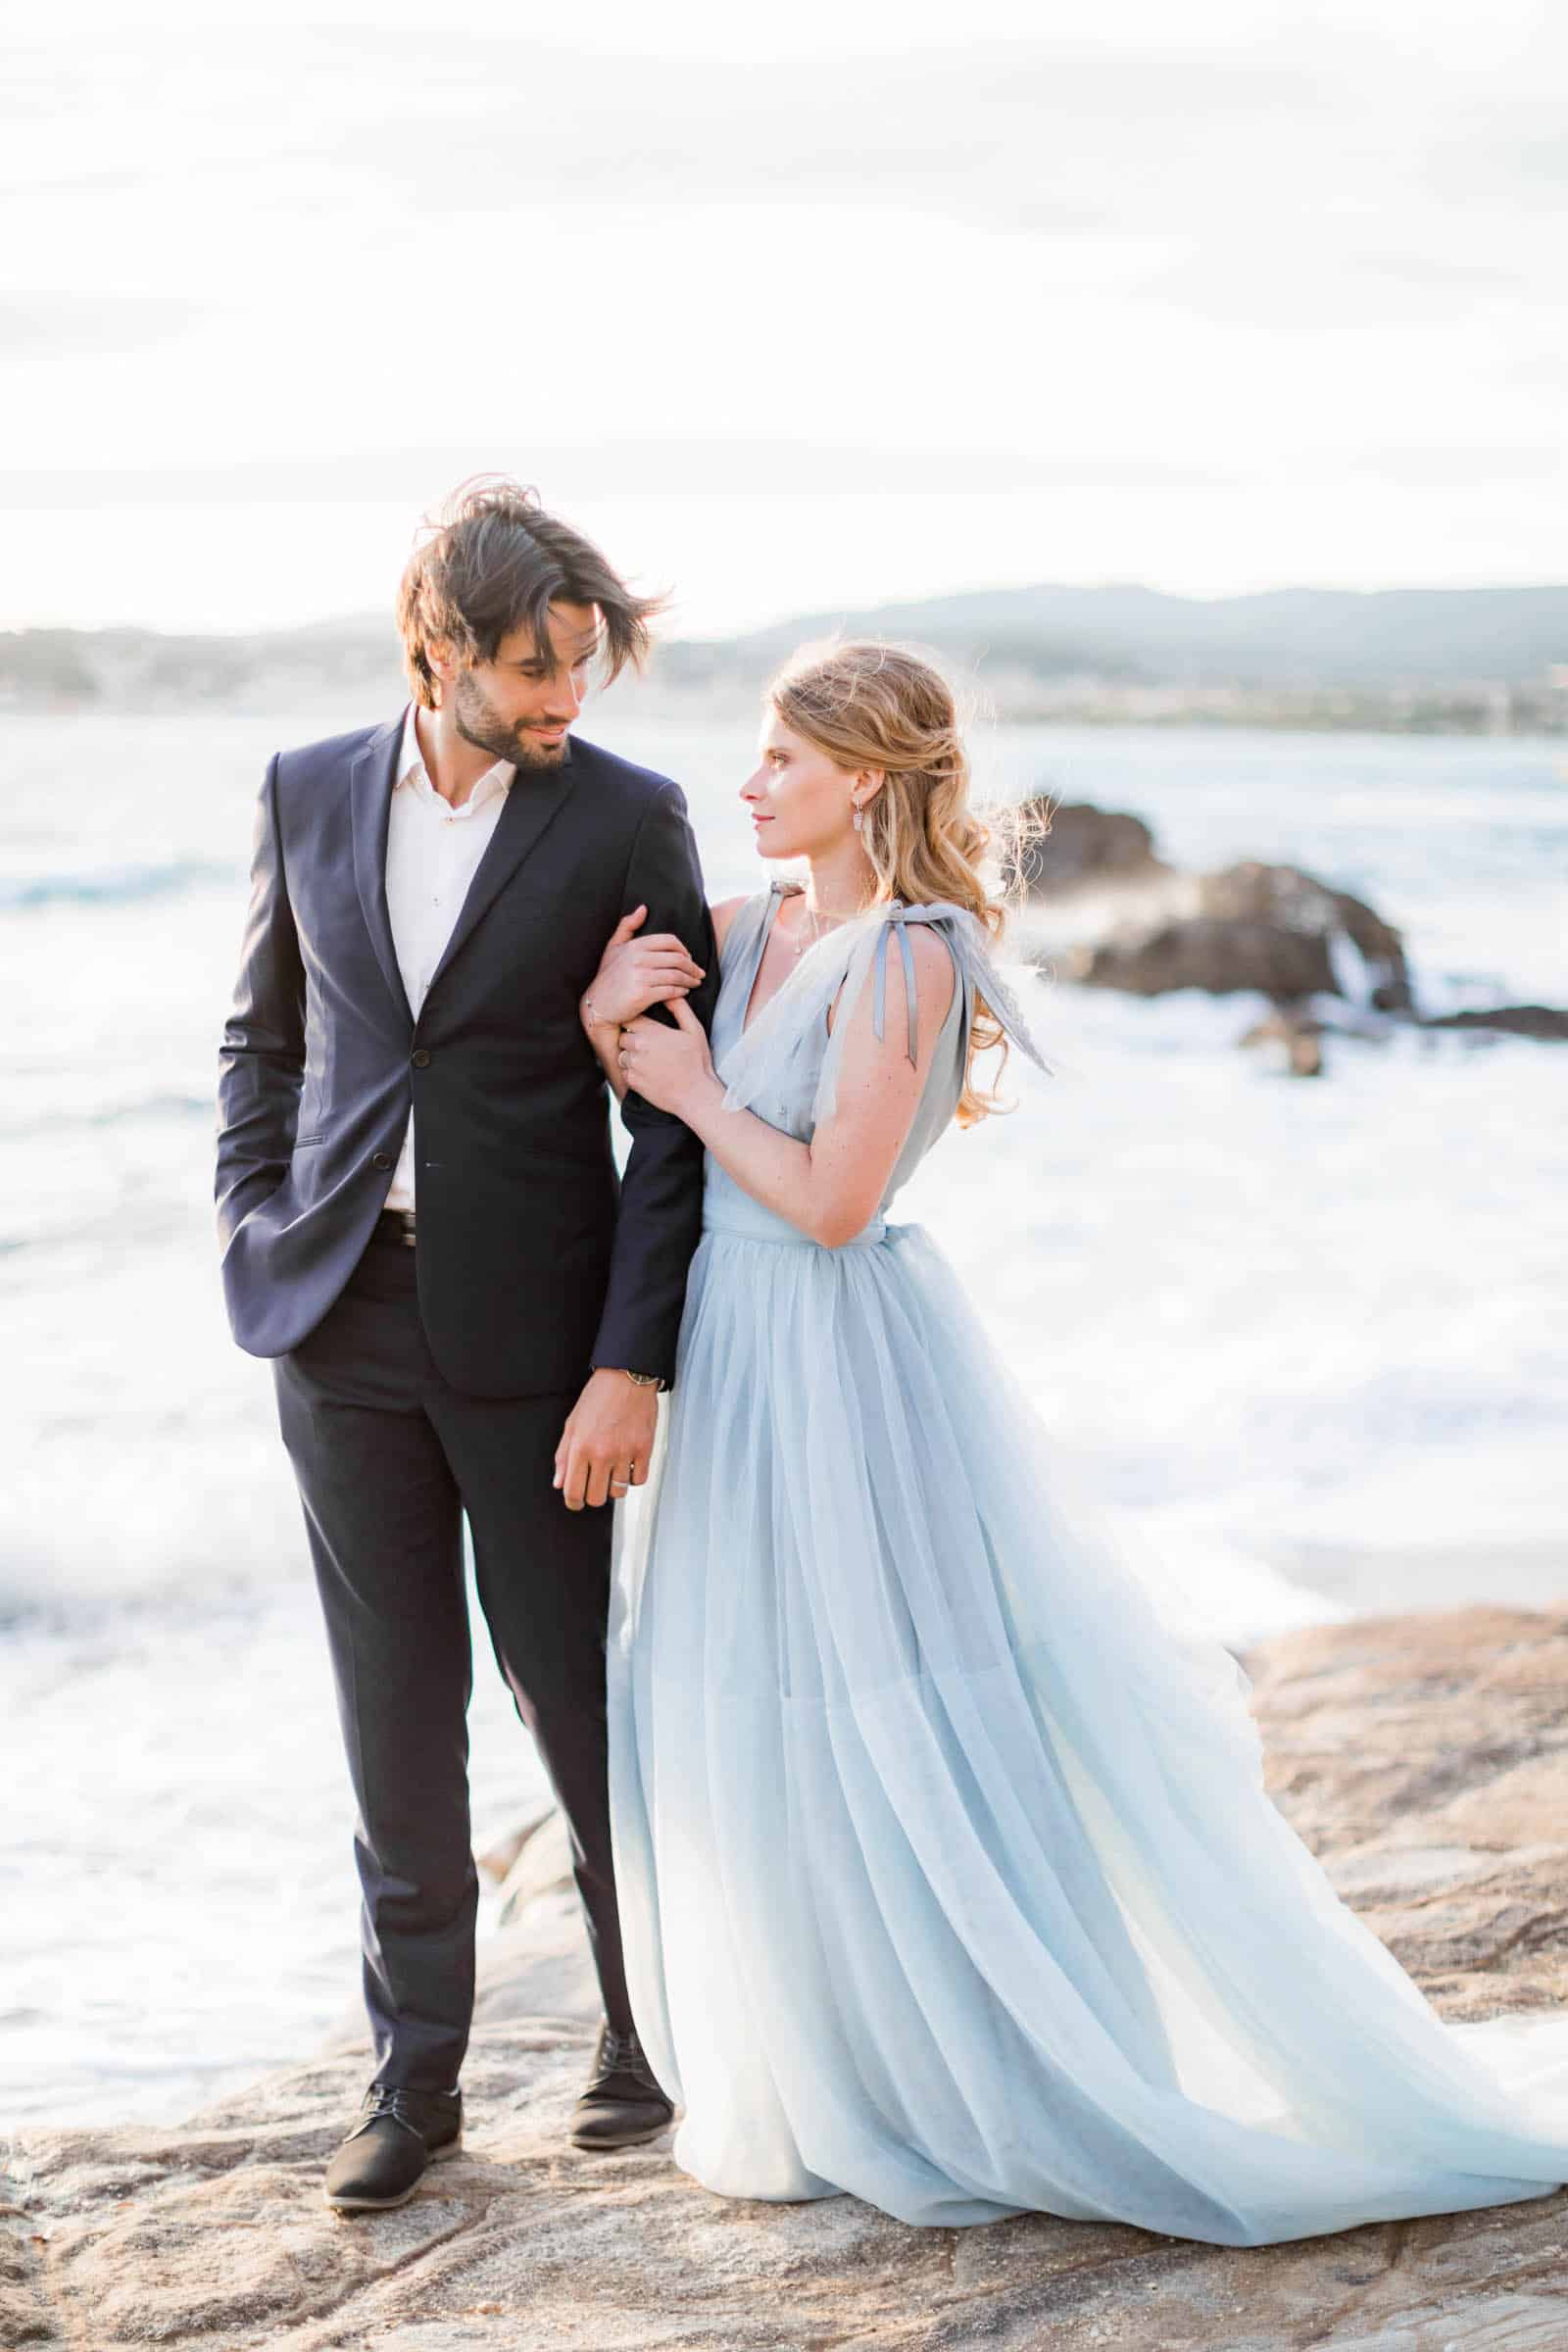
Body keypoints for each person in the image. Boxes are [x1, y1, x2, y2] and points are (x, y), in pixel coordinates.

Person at [579, 639, 1568, 2245]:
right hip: (733, 1363)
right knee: (751, 1702)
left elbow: (831, 1201)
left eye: (779, 757)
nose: (747, 782)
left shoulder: (911, 953)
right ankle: (831, 2065)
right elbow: (656, 1102)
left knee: (894, 1707)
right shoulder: (746, 929)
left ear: (868, 778)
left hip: (839, 1366)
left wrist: (687, 1086)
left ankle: (987, 2072)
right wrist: (604, 1018)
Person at [215, 478, 716, 2214]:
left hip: (543, 1344)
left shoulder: (631, 819)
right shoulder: (304, 790)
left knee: (575, 1698)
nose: (566, 697)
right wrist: (250, 1226)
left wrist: (631, 1359)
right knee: (393, 1713)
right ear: (436, 649)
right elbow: (261, 1045)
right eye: (533, 667)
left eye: (582, 663)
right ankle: (412, 2083)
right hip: (339, 1318)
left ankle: (648, 2040)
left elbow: (674, 1119)